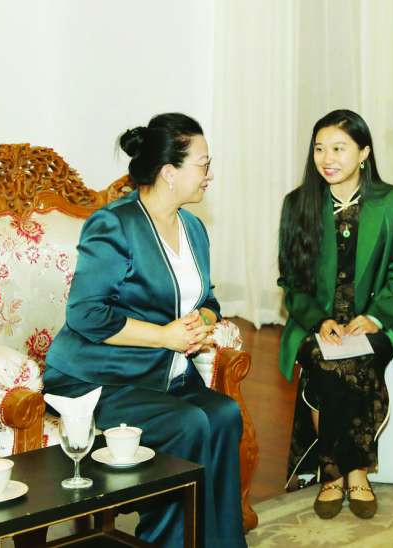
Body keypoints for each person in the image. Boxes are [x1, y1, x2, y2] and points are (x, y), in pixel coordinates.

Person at [44, 113, 246, 548]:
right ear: (170, 172)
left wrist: (200, 323)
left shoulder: (194, 229)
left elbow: (209, 302)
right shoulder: (115, 224)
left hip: (164, 375)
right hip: (99, 378)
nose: (209, 175)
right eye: (203, 165)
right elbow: (86, 313)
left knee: (224, 415)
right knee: (188, 423)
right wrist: (165, 336)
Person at [277, 109, 393, 519]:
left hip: (376, 321)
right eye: (319, 149)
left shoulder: (392, 201)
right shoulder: (298, 204)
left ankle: (342, 473)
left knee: (356, 361)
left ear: (364, 153)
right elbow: (291, 282)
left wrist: (376, 317)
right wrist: (318, 321)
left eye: (339, 149)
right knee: (327, 362)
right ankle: (346, 473)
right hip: (318, 322)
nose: (327, 159)